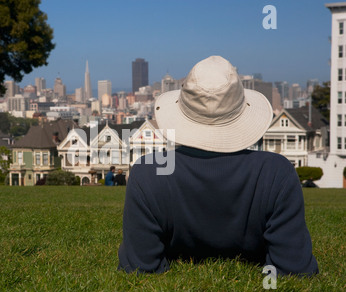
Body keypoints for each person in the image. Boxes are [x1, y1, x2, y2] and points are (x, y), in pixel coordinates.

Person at [118, 56, 318, 276]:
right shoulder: (276, 173)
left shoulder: (148, 174)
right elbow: (295, 269)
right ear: (241, 108)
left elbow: (138, 268)